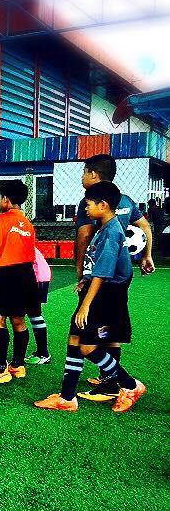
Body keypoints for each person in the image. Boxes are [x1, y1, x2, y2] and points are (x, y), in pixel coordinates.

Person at [35, 181, 146, 412]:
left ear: (103, 205)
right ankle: (67, 398)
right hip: (96, 291)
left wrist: (86, 304)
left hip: (106, 296)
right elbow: (96, 265)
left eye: (88, 205)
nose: (85, 209)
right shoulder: (103, 227)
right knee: (75, 339)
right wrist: (84, 280)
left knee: (87, 346)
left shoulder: (112, 232)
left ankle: (130, 385)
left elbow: (104, 273)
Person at [74, 154, 153, 396]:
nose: (82, 177)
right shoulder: (125, 200)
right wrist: (147, 255)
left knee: (86, 336)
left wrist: (81, 271)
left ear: (93, 174)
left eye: (84, 172)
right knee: (111, 330)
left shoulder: (92, 203)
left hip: (102, 278)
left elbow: (84, 236)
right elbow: (145, 227)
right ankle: (108, 380)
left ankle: (119, 383)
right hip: (120, 276)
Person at [0, 180, 38, 384]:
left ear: (5, 199)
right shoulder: (28, 224)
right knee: (18, 320)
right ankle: (18, 366)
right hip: (26, 275)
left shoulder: (0, 219)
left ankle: (0, 369)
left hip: (6, 275)